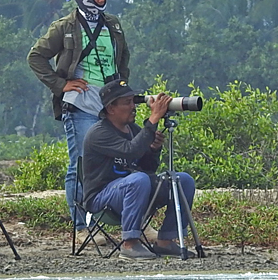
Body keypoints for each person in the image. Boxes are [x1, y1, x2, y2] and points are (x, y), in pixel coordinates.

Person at [27, 0, 130, 245]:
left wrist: (122, 93)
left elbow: (124, 62)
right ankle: (80, 225)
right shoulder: (65, 26)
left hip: (110, 103)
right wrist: (61, 85)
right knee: (81, 164)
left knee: (119, 160)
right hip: (80, 103)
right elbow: (36, 57)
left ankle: (115, 221)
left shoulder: (113, 25)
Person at [81, 80, 196, 260]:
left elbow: (148, 167)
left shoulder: (133, 130)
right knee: (139, 180)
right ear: (111, 108)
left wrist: (153, 149)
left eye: (133, 101)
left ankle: (165, 241)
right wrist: (154, 118)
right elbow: (130, 151)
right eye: (127, 103)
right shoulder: (99, 133)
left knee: (184, 180)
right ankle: (130, 243)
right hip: (102, 196)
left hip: (134, 188)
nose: (133, 107)